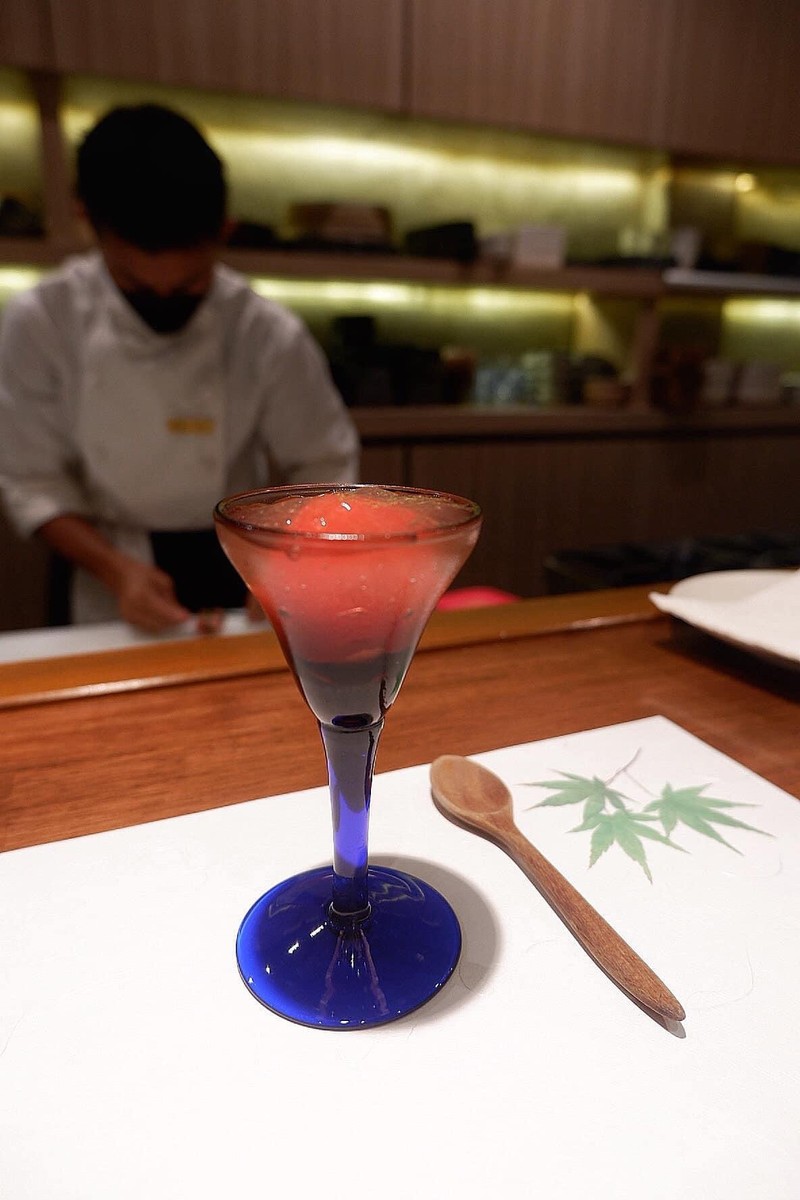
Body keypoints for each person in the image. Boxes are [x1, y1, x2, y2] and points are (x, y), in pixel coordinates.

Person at [0, 104, 359, 631]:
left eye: (190, 286)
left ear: (224, 232)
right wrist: (116, 571)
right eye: (136, 287)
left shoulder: (264, 331)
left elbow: (324, 463)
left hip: (240, 562)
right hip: (109, 568)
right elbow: (31, 481)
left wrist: (289, 561)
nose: (164, 301)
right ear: (86, 221)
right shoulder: (43, 321)